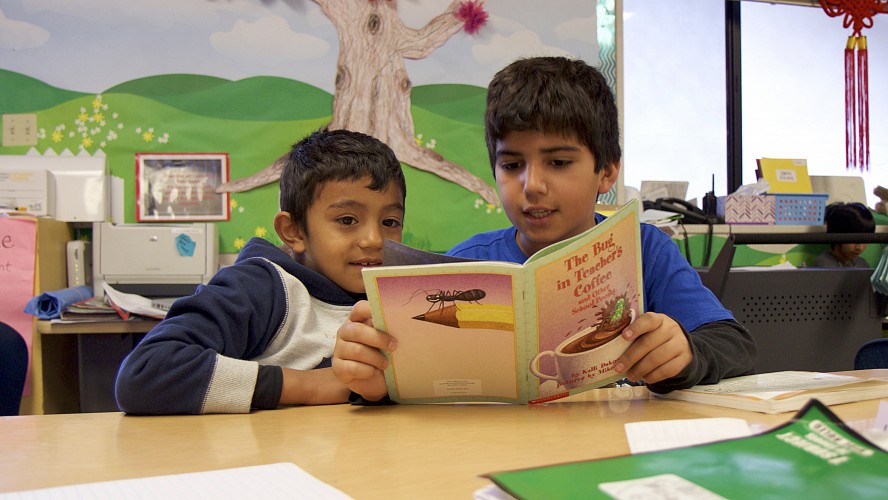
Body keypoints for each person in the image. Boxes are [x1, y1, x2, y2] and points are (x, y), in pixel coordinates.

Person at [332, 56, 756, 403]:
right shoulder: (462, 265)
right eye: (512, 164)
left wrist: (685, 353)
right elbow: (414, 380)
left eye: (558, 162)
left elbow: (733, 345)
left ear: (606, 171)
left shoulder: (645, 249)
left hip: (612, 447)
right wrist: (373, 381)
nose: (531, 185)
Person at [115, 129, 407, 414]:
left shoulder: (405, 297)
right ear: (294, 231)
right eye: (346, 220)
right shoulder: (261, 287)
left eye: (390, 222)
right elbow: (145, 373)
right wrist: (310, 386)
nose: (374, 240)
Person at [813, 202, 875, 268]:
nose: (859, 248)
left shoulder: (862, 264)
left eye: (865, 240)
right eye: (854, 239)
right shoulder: (823, 265)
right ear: (837, 234)